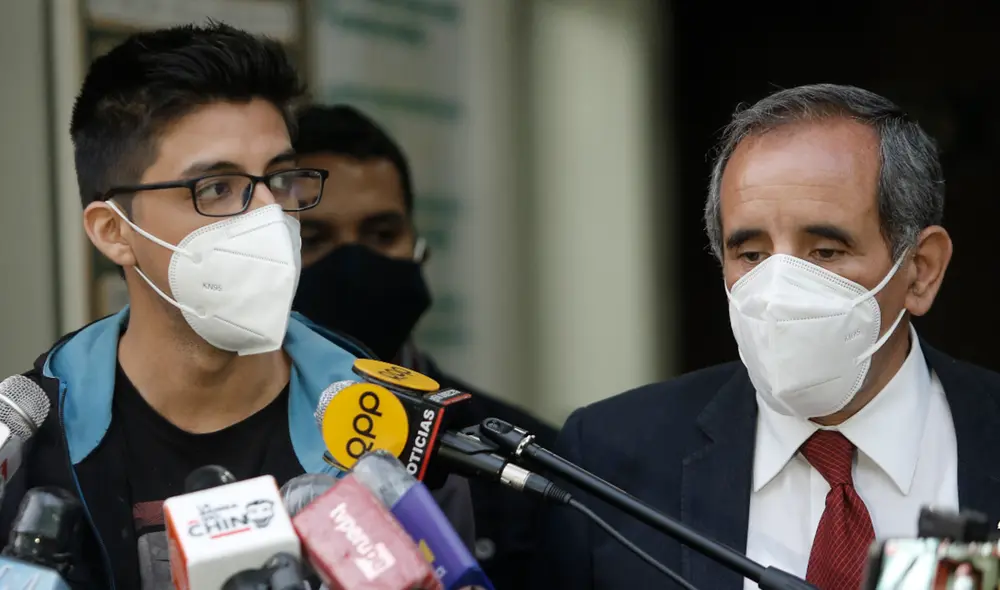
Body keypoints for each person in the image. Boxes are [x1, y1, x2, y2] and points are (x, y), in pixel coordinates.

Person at [0, 24, 474, 589]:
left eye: (280, 179)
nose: (269, 217)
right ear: (113, 232)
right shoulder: (27, 449)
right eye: (217, 188)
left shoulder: (395, 436)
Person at [534, 84, 1000, 590]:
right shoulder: (609, 458)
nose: (779, 291)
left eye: (825, 251)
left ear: (921, 270)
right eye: (752, 255)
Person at [291, 104, 559, 589]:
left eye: (382, 234)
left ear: (419, 248)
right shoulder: (229, 439)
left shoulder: (524, 458)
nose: (354, 261)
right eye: (314, 237)